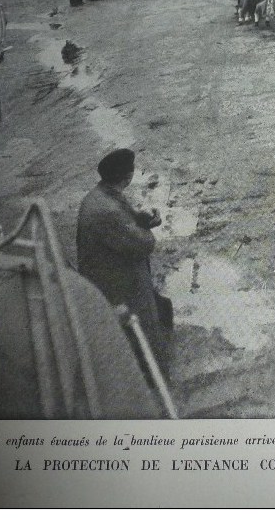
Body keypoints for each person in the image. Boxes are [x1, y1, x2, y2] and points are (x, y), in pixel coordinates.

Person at [76, 149, 172, 378]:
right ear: (128, 177)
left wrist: (141, 219)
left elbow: (122, 222)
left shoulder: (100, 194)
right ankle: (151, 375)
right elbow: (142, 244)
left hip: (102, 269)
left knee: (156, 309)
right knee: (143, 323)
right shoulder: (107, 209)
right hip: (114, 280)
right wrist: (147, 229)